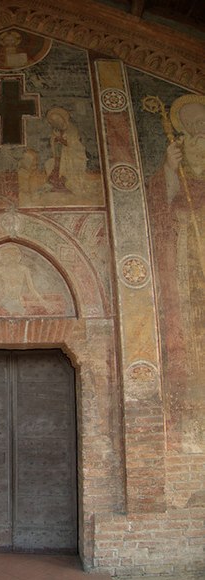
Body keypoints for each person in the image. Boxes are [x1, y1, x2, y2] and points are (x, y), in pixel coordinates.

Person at [146, 94, 204, 427]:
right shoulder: (180, 166)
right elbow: (161, 199)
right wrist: (169, 167)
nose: (200, 132)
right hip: (187, 248)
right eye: (194, 126)